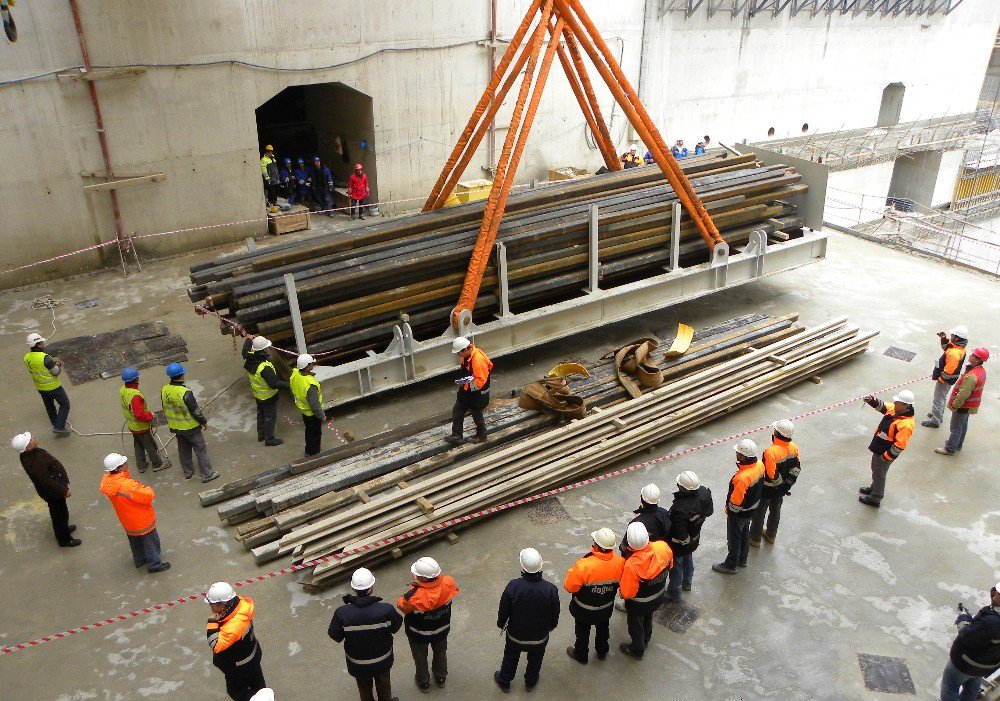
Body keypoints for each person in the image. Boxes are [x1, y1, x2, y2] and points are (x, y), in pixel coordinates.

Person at [328, 567, 404, 701]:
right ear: (372, 588)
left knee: (364, 687)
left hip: (357, 663)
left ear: (353, 589)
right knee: (384, 684)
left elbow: (335, 636)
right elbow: (396, 627)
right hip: (382, 660)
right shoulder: (386, 610)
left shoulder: (342, 613)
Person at [494, 548, 560, 693]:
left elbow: (503, 609)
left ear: (522, 567)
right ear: (540, 566)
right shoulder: (550, 589)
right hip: (539, 638)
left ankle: (504, 681)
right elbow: (555, 612)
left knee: (511, 657)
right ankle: (530, 682)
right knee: (536, 659)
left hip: (515, 636)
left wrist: (501, 624)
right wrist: (552, 626)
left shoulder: (513, 586)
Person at [396, 557, 459, 693]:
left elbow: (401, 604)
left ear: (421, 578)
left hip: (419, 634)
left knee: (420, 658)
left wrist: (415, 585)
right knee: (441, 653)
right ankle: (441, 677)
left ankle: (424, 682)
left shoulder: (414, 596)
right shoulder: (448, 582)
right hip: (441, 630)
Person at [99, 453, 170, 572]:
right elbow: (147, 495)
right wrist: (147, 488)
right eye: (125, 463)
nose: (127, 465)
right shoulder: (127, 485)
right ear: (120, 468)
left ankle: (140, 560)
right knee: (150, 542)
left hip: (127, 520)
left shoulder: (108, 482)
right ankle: (154, 565)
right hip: (141, 520)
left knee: (135, 541)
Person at [564, 527, 624, 664]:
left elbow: (569, 587)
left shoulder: (583, 565)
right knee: (603, 629)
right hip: (605, 608)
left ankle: (581, 654)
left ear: (596, 545)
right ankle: (602, 651)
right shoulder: (620, 562)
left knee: (582, 632)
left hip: (583, 610)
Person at [12, 431, 79, 547]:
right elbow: (46, 481)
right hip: (53, 492)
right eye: (30, 438)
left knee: (60, 512)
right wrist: (63, 491)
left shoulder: (32, 453)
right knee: (59, 514)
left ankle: (64, 530)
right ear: (28, 447)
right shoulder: (33, 462)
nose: (33, 437)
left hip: (54, 489)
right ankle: (64, 539)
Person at [618, 522, 672, 660]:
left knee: (635, 626)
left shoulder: (632, 564)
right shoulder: (663, 547)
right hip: (658, 596)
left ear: (629, 543)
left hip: (638, 604)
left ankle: (637, 649)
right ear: (647, 535)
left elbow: (627, 593)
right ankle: (646, 640)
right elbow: (669, 565)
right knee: (648, 617)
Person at [205, 582, 267, 701]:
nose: (210, 608)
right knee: (258, 684)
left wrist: (212, 623)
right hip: (252, 656)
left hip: (240, 667)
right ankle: (265, 696)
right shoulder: (241, 605)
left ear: (222, 605)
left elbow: (216, 645)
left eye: (212, 604)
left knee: (237, 692)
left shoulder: (232, 628)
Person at [940, 582, 1000, 701]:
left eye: (997, 593)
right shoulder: (992, 619)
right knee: (972, 686)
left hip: (965, 663)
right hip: (986, 665)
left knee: (950, 687)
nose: (993, 595)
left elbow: (966, 636)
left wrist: (963, 618)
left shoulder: (990, 623)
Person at [161, 362, 219, 483]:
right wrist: (204, 422)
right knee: (200, 449)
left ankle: (188, 472)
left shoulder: (164, 389)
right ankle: (207, 474)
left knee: (183, 449)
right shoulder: (185, 392)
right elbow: (195, 411)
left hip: (176, 427)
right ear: (181, 375)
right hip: (190, 427)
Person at [713, 439, 764, 574]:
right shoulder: (759, 465)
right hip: (751, 509)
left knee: (734, 538)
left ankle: (730, 565)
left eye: (738, 453)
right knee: (745, 532)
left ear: (743, 456)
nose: (736, 454)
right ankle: (742, 559)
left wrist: (730, 511)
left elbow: (735, 502)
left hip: (739, 514)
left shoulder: (742, 478)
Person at [859, 390, 915, 507]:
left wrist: (886, 457)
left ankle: (875, 498)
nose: (895, 402)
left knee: (880, 474)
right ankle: (874, 488)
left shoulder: (906, 424)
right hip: (879, 447)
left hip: (885, 452)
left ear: (905, 405)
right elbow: (883, 406)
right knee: (875, 469)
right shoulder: (896, 409)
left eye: (898, 401)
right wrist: (871, 400)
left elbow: (900, 445)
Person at [750, 419, 800, 547]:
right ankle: (771, 534)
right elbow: (796, 468)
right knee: (775, 510)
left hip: (767, 489)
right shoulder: (794, 448)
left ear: (777, 433)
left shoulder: (770, 452)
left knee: (759, 512)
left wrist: (780, 486)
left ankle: (755, 538)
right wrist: (788, 484)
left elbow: (771, 473)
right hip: (781, 489)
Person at [665, 471, 713, 599]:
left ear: (682, 488)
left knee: (676, 565)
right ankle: (687, 583)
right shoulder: (704, 493)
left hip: (680, 544)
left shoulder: (680, 508)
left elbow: (678, 532)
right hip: (694, 537)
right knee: (688, 558)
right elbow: (709, 511)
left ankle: (674, 592)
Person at [936, 347, 989, 456]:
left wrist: (955, 405)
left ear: (978, 360)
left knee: (955, 427)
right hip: (969, 405)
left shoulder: (971, 376)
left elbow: (963, 394)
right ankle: (957, 444)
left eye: (973, 355)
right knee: (963, 425)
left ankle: (950, 448)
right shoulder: (981, 371)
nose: (970, 355)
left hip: (963, 406)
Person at [120, 368, 170, 473]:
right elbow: (139, 415)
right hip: (141, 427)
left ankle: (141, 465)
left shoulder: (123, 390)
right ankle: (157, 464)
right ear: (136, 379)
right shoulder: (135, 396)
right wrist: (150, 415)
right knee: (150, 445)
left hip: (133, 426)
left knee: (138, 445)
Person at [445, 337, 493, 445]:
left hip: (477, 393)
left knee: (476, 413)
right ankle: (457, 435)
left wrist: (467, 385)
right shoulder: (466, 357)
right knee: (457, 411)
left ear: (464, 350)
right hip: (467, 390)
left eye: (458, 352)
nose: (457, 355)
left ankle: (482, 435)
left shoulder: (478, 360)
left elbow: (480, 381)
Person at [243, 337, 288, 447]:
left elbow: (244, 350)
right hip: (268, 397)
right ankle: (269, 439)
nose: (268, 349)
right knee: (270, 418)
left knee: (260, 414)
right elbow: (274, 383)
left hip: (258, 394)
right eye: (266, 347)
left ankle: (261, 435)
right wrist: (290, 386)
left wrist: (249, 340)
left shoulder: (248, 358)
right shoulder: (264, 367)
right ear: (263, 350)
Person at [24, 332, 70, 437]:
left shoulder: (26, 357)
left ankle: (55, 422)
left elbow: (39, 368)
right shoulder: (45, 358)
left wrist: (51, 364)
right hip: (53, 387)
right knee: (65, 404)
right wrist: (57, 365)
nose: (44, 344)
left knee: (49, 405)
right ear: (39, 345)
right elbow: (55, 372)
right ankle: (59, 427)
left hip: (40, 387)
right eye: (42, 342)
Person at [923, 326, 968, 428]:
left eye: (952, 335)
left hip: (945, 380)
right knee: (942, 397)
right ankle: (938, 415)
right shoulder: (958, 348)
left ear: (956, 338)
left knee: (938, 399)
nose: (950, 336)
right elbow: (946, 348)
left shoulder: (954, 353)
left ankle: (935, 420)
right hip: (950, 379)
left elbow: (949, 370)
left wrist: (941, 378)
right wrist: (944, 339)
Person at [290, 353, 324, 456]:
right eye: (311, 364)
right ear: (308, 367)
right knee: (315, 434)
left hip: (304, 411)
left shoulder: (295, 374)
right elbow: (314, 405)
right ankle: (313, 454)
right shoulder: (310, 384)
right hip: (312, 414)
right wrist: (321, 415)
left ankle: (308, 450)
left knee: (309, 432)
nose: (313, 365)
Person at [260, 145, 279, 213]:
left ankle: (274, 203)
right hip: (270, 179)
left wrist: (277, 177)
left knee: (276, 191)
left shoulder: (273, 159)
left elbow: (276, 169)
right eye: (269, 151)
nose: (270, 152)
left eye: (271, 151)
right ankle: (271, 204)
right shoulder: (263, 160)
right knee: (271, 191)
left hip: (275, 178)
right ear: (266, 152)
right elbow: (264, 170)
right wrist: (267, 178)